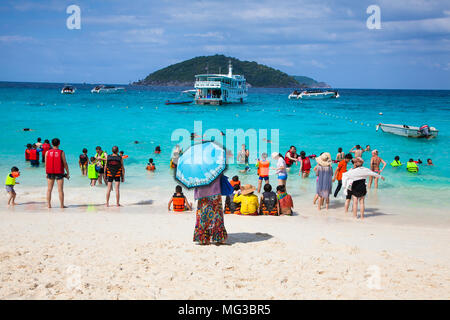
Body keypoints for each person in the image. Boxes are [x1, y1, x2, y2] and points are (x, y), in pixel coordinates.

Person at [193, 175, 228, 245]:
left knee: (203, 216)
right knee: (217, 216)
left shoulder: (198, 167)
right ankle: (219, 238)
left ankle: (203, 238)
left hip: (202, 194)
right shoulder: (216, 166)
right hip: (215, 192)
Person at [45, 138, 69, 208]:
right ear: (59, 144)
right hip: (59, 173)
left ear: (51, 144)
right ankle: (61, 205)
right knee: (60, 190)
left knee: (49, 189)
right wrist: (68, 173)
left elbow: (46, 164)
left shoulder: (47, 152)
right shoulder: (61, 152)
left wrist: (46, 173)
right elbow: (65, 163)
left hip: (50, 172)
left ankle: (49, 205)